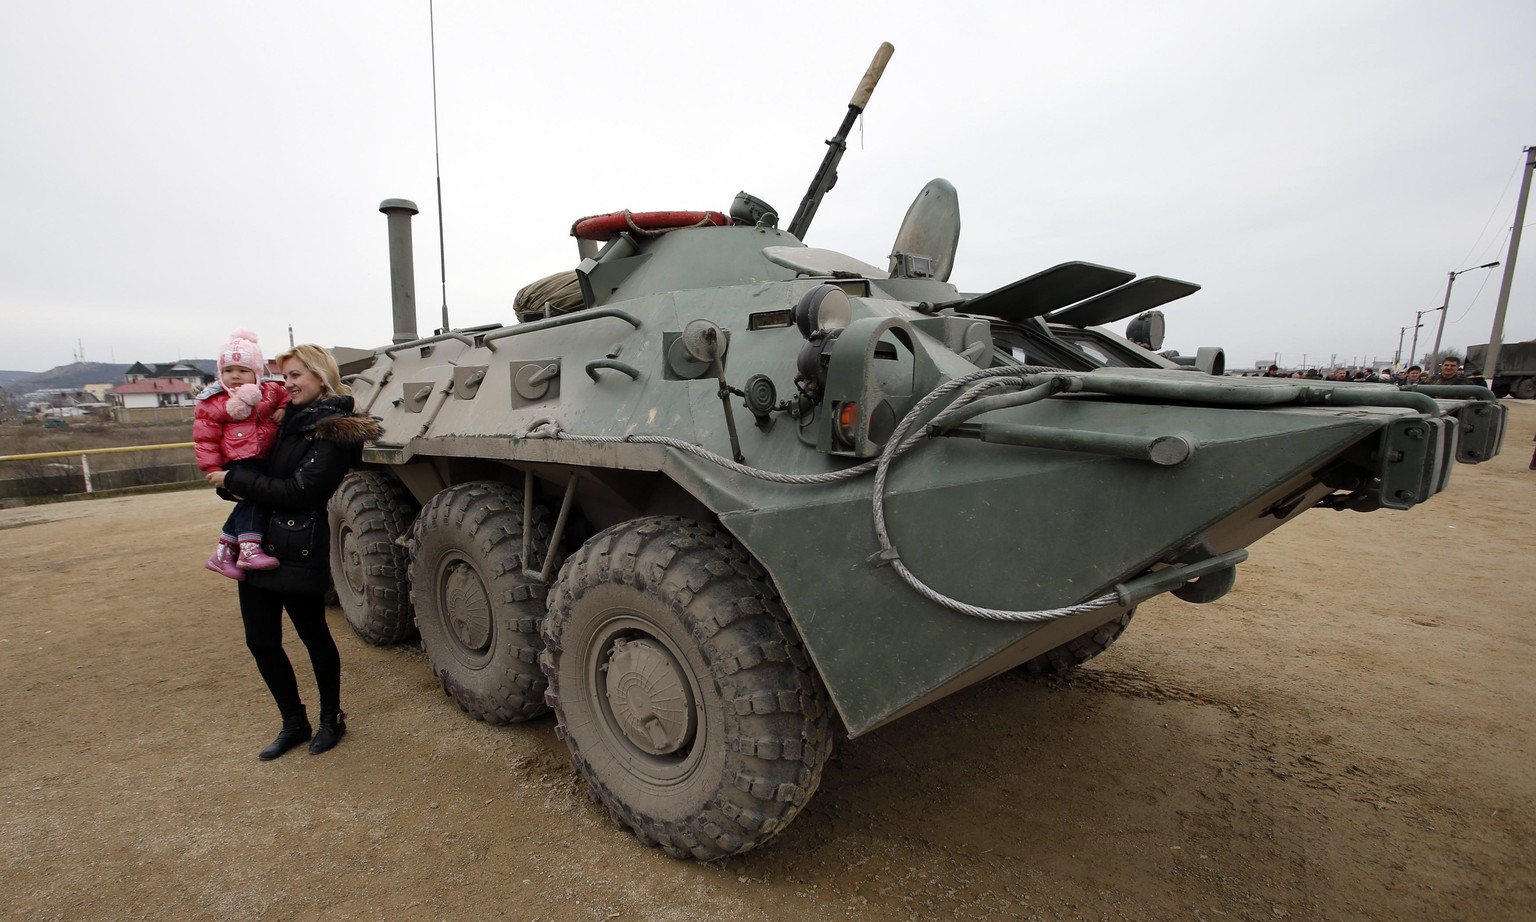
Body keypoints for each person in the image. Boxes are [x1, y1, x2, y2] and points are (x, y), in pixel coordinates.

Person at [207, 344, 381, 760]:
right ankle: (293, 721)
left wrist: (238, 481)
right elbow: (261, 476)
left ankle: (329, 720)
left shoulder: (334, 430)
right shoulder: (281, 420)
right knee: (260, 642)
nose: (288, 384)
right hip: (256, 542)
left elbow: (302, 491)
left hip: (298, 542)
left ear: (320, 376)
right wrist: (232, 481)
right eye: (284, 377)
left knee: (313, 636)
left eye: (296, 376)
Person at [196, 329, 289, 579]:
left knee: (251, 501)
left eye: (242, 370)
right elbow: (205, 438)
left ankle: (223, 552)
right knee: (255, 500)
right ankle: (248, 549)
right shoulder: (214, 401)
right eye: (228, 370)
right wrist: (214, 470)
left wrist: (282, 409)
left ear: (256, 373)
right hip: (238, 461)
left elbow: (286, 394)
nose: (235, 376)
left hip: (264, 459)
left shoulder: (269, 391)